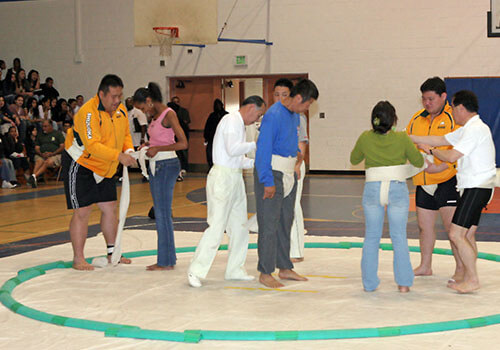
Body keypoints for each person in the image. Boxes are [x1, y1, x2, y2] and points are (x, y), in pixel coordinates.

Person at [410, 90, 496, 293]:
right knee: (468, 234)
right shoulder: (467, 128)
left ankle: (472, 279)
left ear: (460, 108)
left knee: (457, 234)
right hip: (475, 186)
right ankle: (467, 275)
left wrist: (429, 151)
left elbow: (451, 156)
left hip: (477, 186)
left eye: (453, 108)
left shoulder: (475, 130)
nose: (452, 113)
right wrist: (407, 138)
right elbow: (439, 140)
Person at [187, 96, 265, 288]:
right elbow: (233, 150)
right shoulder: (231, 121)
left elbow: (238, 159)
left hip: (235, 177)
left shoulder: (239, 124)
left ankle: (235, 269)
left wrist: (258, 163)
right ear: (250, 108)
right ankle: (195, 270)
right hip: (222, 178)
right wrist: (257, 145)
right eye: (258, 114)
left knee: (240, 226)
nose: (257, 119)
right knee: (216, 226)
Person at [62, 74, 136, 270]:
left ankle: (114, 253)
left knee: (110, 208)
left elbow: (125, 134)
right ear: (101, 94)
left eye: (119, 95)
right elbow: (92, 145)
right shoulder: (88, 113)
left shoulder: (120, 110)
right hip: (81, 163)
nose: (117, 100)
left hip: (106, 165)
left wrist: (128, 150)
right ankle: (78, 258)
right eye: (113, 96)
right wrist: (119, 156)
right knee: (83, 211)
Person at [351, 101, 424, 293]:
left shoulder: (365, 137)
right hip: (397, 188)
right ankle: (404, 284)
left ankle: (369, 283)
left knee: (372, 237)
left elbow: (354, 159)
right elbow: (418, 161)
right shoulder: (402, 138)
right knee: (399, 236)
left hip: (373, 189)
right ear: (394, 120)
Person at [254, 78, 318, 288]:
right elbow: (263, 149)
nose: (308, 108)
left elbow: (289, 141)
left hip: (289, 173)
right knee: (269, 224)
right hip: (272, 174)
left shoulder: (295, 116)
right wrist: (267, 181)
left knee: (285, 222)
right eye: (308, 104)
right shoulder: (273, 115)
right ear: (299, 98)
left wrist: (298, 156)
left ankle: (284, 267)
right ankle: (265, 272)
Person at [406, 77, 461, 278]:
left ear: (443, 97)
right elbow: (409, 147)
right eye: (424, 99)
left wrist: (442, 167)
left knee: (453, 229)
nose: (427, 103)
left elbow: (461, 151)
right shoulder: (415, 119)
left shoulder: (454, 118)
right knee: (424, 227)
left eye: (431, 98)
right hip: (423, 181)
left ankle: (460, 268)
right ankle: (425, 265)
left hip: (447, 179)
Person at [133, 82, 188, 271]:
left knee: (163, 214)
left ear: (149, 101)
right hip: (158, 164)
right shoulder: (156, 116)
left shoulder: (169, 114)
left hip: (166, 165)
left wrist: (158, 149)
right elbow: (160, 139)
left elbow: (183, 143)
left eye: (142, 108)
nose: (144, 112)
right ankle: (167, 259)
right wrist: (149, 144)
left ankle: (165, 261)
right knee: (161, 213)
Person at [27, 119, 64, 188]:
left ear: (51, 126)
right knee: (39, 161)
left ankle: (33, 176)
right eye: (43, 126)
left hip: (56, 155)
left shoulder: (58, 134)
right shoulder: (40, 135)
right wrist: (41, 154)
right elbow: (37, 147)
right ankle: (34, 178)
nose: (44, 128)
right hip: (42, 155)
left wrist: (52, 153)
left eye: (46, 126)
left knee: (47, 162)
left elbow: (62, 147)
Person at [203, 98, 228, 168]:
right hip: (212, 138)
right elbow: (207, 127)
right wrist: (206, 137)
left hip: (223, 138)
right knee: (210, 154)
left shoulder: (226, 115)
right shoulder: (212, 115)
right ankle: (212, 166)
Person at [171, 96, 190, 179]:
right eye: (174, 102)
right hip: (173, 135)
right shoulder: (169, 112)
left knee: (183, 152)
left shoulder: (184, 111)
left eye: (177, 101)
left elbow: (187, 121)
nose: (176, 103)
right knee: (175, 152)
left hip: (183, 133)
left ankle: (184, 167)